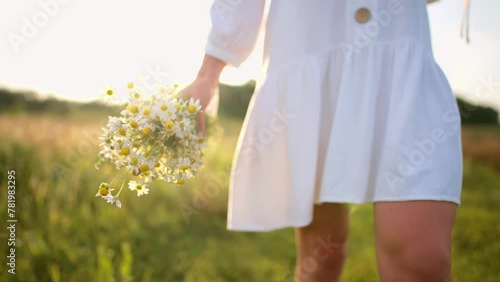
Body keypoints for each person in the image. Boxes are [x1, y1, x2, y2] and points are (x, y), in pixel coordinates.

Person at [181, 0, 462, 281]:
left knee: (420, 261)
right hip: (309, 47)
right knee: (321, 257)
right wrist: (208, 73)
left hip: (398, 39)